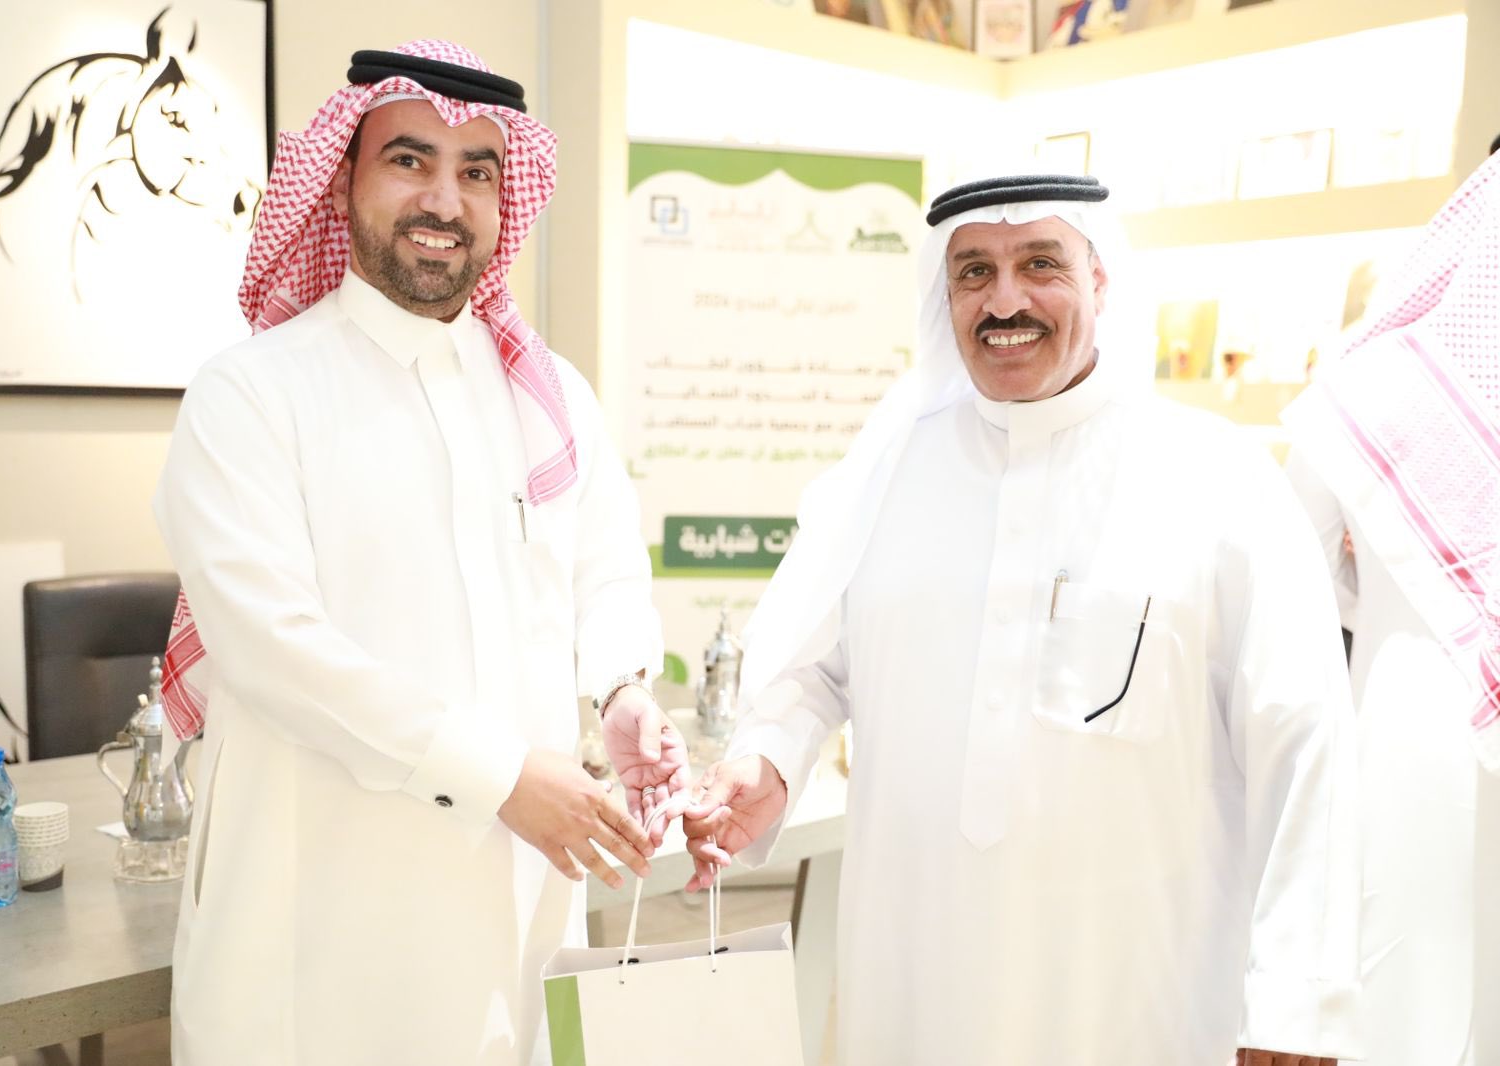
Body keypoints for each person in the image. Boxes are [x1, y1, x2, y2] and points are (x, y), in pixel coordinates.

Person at [683, 174, 1363, 1065]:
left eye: (1041, 264)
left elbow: (1306, 741)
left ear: (1100, 280)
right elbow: (814, 668)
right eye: (974, 271)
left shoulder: (1220, 480)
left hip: (1139, 1001)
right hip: (915, 984)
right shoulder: (886, 477)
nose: (1005, 301)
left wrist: (1296, 1003)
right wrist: (770, 757)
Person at [153, 40, 685, 1066]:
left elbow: (605, 573)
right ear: (343, 178)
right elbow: (273, 648)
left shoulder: (552, 394)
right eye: (409, 160)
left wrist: (623, 691)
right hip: (320, 925)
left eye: (477, 171)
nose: (445, 200)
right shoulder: (253, 393)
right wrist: (502, 778)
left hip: (518, 899)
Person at [1284, 150, 1500, 1066]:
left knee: (1409, 1006)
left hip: (1404, 736)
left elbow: (1296, 587)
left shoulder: (1362, 392)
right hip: (1417, 757)